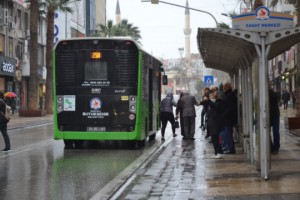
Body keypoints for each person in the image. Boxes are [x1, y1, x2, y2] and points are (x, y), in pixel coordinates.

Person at [201, 91, 224, 158]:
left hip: (216, 122)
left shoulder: (218, 102)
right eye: (210, 96)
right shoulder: (210, 102)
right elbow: (204, 106)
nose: (210, 97)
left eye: (211, 95)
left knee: (215, 137)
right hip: (212, 122)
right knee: (214, 138)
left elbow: (215, 107)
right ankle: (216, 152)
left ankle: (219, 152)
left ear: (215, 96)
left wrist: (209, 101)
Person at [222, 82, 237, 154]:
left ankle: (231, 148)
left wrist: (224, 114)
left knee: (228, 133)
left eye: (225, 87)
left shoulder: (230, 95)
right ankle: (229, 147)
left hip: (229, 118)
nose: (223, 88)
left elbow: (230, 107)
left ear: (228, 87)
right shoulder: (228, 94)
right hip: (227, 117)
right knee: (227, 133)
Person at [269, 86, 280, 154]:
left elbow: (275, 98)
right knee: (267, 132)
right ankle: (272, 147)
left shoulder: (273, 94)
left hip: (274, 114)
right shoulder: (273, 94)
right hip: (270, 115)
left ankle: (276, 147)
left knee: (275, 131)